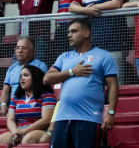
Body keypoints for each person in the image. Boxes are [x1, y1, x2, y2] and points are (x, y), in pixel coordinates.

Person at [44, 19, 119, 148]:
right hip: (62, 118)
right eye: (68, 32)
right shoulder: (64, 57)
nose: (69, 35)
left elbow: (113, 85)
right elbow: (47, 79)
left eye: (74, 31)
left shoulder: (103, 56)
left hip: (89, 118)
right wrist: (72, 72)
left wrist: (110, 113)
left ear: (86, 33)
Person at [0, 36, 48, 118]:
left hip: (28, 102)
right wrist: (3, 105)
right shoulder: (11, 68)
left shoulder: (40, 66)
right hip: (12, 103)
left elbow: (39, 90)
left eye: (24, 48)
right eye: (17, 48)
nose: (19, 51)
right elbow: (5, 91)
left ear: (32, 51)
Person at [0, 66, 57, 146]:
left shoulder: (47, 96)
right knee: (0, 140)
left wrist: (24, 131)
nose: (22, 78)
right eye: (20, 76)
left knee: (28, 139)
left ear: (35, 78)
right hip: (19, 131)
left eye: (26, 75)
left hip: (41, 131)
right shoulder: (15, 98)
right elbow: (10, 120)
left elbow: (46, 120)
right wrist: (15, 132)